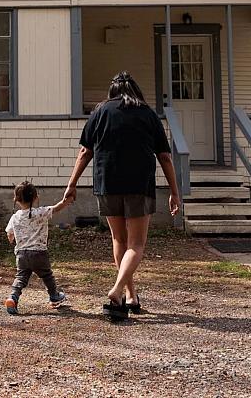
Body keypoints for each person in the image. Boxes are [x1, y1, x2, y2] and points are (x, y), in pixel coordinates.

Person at [64, 71, 181, 320]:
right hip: (139, 184)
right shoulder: (147, 114)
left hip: (107, 183)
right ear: (135, 90)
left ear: (112, 92)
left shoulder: (100, 112)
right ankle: (118, 289)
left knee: (119, 241)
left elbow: (85, 152)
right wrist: (174, 191)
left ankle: (130, 296)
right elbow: (165, 156)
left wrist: (71, 184)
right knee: (136, 245)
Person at [4, 180, 72, 315]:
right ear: (35, 198)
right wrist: (66, 200)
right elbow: (56, 208)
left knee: (21, 277)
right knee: (47, 275)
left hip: (22, 254)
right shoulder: (40, 213)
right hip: (39, 253)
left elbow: (9, 234)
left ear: (16, 199)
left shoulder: (15, 217)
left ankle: (13, 297)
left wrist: (12, 239)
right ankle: (54, 296)